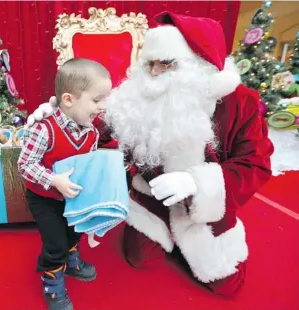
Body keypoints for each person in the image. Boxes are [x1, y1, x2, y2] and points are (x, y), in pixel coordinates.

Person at [27, 11, 274, 298]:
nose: (155, 73)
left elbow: (255, 163)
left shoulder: (238, 102)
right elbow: (96, 131)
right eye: (150, 64)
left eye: (166, 64)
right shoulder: (136, 96)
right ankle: (163, 235)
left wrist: (196, 183)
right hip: (150, 202)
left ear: (200, 64)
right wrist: (60, 118)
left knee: (228, 287)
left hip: (203, 213)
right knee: (140, 259)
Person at [18, 58, 112, 310]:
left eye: (105, 99)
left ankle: (71, 260)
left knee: (73, 231)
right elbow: (25, 164)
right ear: (69, 99)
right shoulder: (43, 130)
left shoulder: (91, 133)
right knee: (55, 242)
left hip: (71, 195)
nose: (103, 107)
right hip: (44, 198)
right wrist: (53, 180)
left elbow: (87, 164)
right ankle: (52, 282)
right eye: (97, 100)